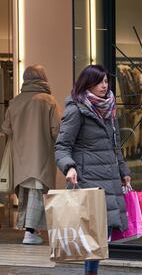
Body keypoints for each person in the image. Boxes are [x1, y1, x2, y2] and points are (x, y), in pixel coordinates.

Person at [55, 64, 131, 275]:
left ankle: (91, 271)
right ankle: (91, 272)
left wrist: (124, 171)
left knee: (101, 233)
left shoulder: (109, 107)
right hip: (88, 180)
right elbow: (62, 146)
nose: (104, 86)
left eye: (106, 81)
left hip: (109, 178)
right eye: (99, 82)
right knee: (94, 233)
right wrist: (68, 167)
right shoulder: (76, 109)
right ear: (87, 83)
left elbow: (115, 145)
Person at [1, 64, 62, 244]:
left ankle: (30, 230)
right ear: (43, 77)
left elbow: (6, 128)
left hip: (20, 156)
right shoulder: (49, 101)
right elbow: (57, 130)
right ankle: (29, 232)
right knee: (37, 190)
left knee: (27, 192)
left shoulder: (15, 102)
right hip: (41, 154)